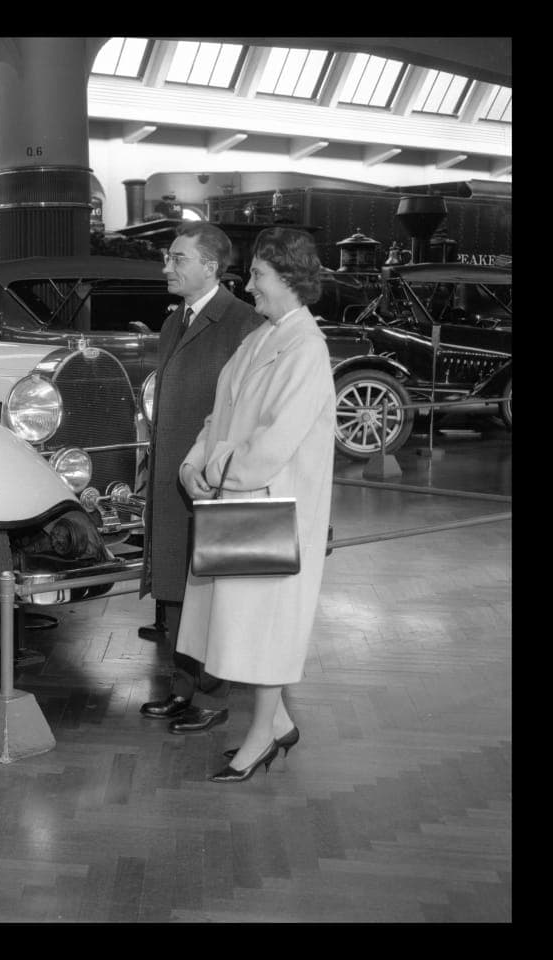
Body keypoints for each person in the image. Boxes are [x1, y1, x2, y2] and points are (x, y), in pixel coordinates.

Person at [177, 227, 336, 783]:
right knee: (244, 624)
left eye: (259, 276)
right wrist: (192, 464)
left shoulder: (306, 349)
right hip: (241, 504)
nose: (249, 286)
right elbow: (218, 416)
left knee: (264, 627)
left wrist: (215, 468)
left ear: (290, 280)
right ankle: (280, 723)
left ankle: (260, 737)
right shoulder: (260, 337)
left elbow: (272, 445)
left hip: (271, 511)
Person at [139, 222, 259, 734]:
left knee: (213, 591)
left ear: (210, 266)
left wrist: (213, 470)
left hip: (210, 483)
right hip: (173, 482)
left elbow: (247, 414)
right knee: (176, 591)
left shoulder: (243, 324)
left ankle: (210, 698)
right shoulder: (173, 323)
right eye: (169, 258)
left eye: (178, 258)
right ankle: (182, 690)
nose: (168, 267)